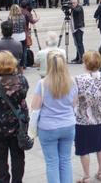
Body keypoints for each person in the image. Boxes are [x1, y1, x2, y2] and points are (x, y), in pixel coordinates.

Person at [30, 51, 78, 183]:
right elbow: (74, 104)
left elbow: (35, 107)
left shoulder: (42, 84)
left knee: (52, 162)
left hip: (48, 127)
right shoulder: (72, 82)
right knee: (65, 160)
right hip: (68, 125)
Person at [0, 51, 29, 183]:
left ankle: (3, 181)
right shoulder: (21, 80)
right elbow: (23, 95)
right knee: (18, 156)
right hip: (17, 125)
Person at [74, 51, 101, 183]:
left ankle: (86, 176)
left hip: (83, 119)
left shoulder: (78, 79)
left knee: (84, 149)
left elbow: (74, 99)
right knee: (100, 146)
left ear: (85, 63)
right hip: (100, 117)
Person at [69, 0, 85, 64]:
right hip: (74, 28)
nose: (73, 4)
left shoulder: (79, 7)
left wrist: (71, 7)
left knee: (79, 43)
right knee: (76, 44)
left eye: (74, 3)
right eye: (72, 3)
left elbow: (76, 11)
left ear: (77, 2)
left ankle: (82, 58)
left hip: (78, 28)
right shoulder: (73, 8)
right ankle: (78, 57)